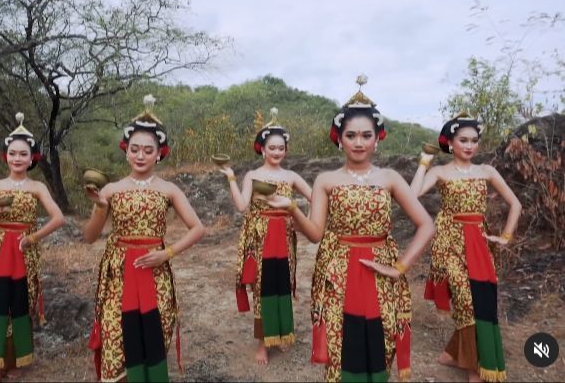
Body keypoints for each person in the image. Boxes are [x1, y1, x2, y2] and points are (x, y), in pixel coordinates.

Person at [268, 76, 435, 382]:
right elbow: (316, 233)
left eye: (366, 135)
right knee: (343, 343)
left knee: (379, 341)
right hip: (338, 273)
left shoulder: (391, 178)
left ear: (377, 138)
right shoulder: (326, 180)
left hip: (380, 271)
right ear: (339, 139)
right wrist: (292, 208)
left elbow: (427, 224)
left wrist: (400, 267)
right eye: (351, 135)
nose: (359, 142)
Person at [84, 95, 206, 382]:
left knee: (154, 331)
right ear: (126, 151)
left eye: (147, 150)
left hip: (155, 272)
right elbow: (89, 237)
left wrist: (168, 253)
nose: (140, 156)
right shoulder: (111, 189)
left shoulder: (169, 189)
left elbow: (198, 228)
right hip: (120, 274)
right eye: (135, 149)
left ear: (159, 154)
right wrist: (101, 208)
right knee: (117, 332)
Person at [411, 112, 521, 382]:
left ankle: (451, 354)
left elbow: (516, 204)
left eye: (474, 140)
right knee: (467, 302)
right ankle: (475, 368)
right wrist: (424, 163)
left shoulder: (487, 171)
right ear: (450, 142)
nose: (470, 145)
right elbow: (411, 196)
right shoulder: (440, 171)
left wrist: (506, 236)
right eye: (463, 140)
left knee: (482, 302)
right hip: (450, 245)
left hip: (480, 245)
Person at [0, 113, 65, 383]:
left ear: (33, 158)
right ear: (5, 156)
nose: (17, 158)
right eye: (12, 153)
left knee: (21, 305)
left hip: (24, 251)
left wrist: (33, 238)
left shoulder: (37, 187)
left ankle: (17, 360)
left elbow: (58, 219)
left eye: (23, 154)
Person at [218, 107, 312, 365]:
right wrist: (231, 179)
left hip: (284, 237)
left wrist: (300, 219)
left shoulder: (291, 176)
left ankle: (281, 334)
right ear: (262, 148)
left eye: (281, 148)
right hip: (260, 238)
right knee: (263, 288)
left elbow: (316, 197)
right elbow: (241, 206)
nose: (277, 152)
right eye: (272, 147)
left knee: (283, 286)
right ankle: (262, 342)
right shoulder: (253, 175)